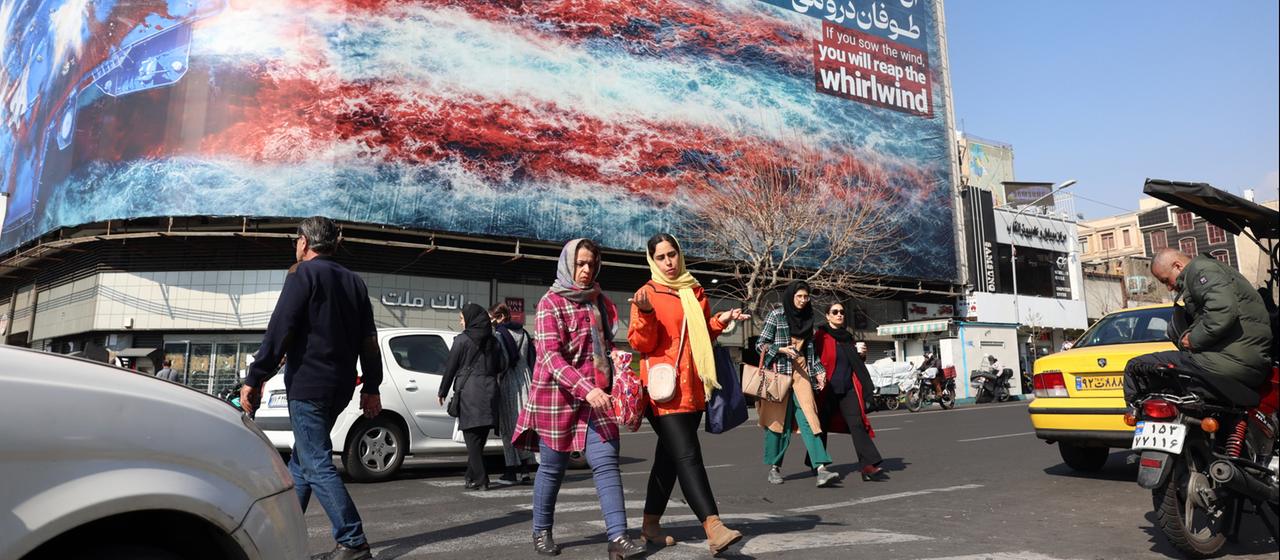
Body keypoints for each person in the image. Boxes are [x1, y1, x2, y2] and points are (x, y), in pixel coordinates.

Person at [240, 216, 381, 560]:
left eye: (295, 241)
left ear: (304, 242)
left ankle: (353, 540)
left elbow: (280, 329)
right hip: (341, 386)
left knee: (315, 462)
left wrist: (255, 376)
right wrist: (371, 386)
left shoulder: (302, 274)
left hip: (309, 384)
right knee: (302, 462)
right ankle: (282, 533)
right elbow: (369, 341)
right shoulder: (355, 282)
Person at [511, 238, 644, 559]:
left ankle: (618, 538)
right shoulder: (550, 303)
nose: (586, 271)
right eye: (580, 264)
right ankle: (541, 530)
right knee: (553, 468)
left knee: (607, 461)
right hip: (557, 397)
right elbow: (551, 358)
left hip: (597, 399)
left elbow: (603, 344)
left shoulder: (597, 301)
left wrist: (619, 362)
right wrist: (588, 389)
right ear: (568, 263)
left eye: (591, 265)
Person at [627, 233, 747, 554]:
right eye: (662, 257)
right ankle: (713, 526)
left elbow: (699, 332)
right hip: (663, 391)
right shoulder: (647, 294)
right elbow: (640, 344)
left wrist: (720, 321)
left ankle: (650, 526)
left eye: (673, 255)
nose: (668, 262)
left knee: (668, 460)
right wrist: (646, 313)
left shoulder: (694, 290)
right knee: (688, 455)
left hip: (693, 388)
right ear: (652, 259)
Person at [1123, 248, 1272, 402]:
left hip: (1227, 362)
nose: (1168, 287)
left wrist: (1193, 339)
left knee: (1136, 367)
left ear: (1178, 266)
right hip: (1241, 362)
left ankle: (1136, 416)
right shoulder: (1210, 270)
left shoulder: (1201, 270)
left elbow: (1222, 311)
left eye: (1166, 280)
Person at [756, 281, 839, 487]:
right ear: (791, 296)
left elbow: (810, 352)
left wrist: (819, 372)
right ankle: (774, 468)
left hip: (802, 372)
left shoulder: (808, 318)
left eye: (806, 297)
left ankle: (821, 468)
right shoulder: (777, 315)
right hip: (779, 373)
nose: (803, 300)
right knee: (778, 423)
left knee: (810, 417)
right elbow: (760, 345)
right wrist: (781, 349)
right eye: (799, 296)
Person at [812, 302, 889, 482]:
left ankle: (867, 466)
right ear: (827, 316)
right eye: (835, 312)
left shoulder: (848, 337)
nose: (839, 315)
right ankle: (817, 464)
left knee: (857, 424)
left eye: (842, 312)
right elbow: (812, 359)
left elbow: (855, 363)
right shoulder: (821, 336)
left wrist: (861, 355)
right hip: (826, 389)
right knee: (820, 427)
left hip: (847, 388)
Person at [438, 303, 507, 490]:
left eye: (462, 318)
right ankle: (471, 477)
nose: (461, 322)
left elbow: (451, 366)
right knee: (478, 441)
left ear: (470, 319)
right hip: (490, 392)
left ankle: (482, 480)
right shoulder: (493, 341)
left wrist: (443, 390)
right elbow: (501, 365)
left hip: (470, 393)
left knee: (472, 442)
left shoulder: (462, 340)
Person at [491, 302, 538, 485]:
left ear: (501, 316)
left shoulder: (499, 334)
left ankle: (511, 471)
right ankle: (525, 471)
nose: (493, 321)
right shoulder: (524, 333)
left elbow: (502, 362)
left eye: (494, 317)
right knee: (523, 427)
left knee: (508, 428)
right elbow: (531, 358)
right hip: (526, 379)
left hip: (509, 381)